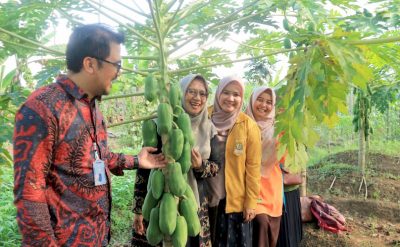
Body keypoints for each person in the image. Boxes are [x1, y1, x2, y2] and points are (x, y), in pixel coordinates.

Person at [13, 24, 166, 247]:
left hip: (98, 236)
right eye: (116, 64)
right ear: (90, 64)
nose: (118, 72)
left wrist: (137, 160)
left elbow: (98, 158)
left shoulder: (92, 108)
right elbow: (29, 194)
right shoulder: (42, 109)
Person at [131, 74, 221, 247]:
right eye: (191, 91)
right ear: (180, 93)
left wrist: (201, 166)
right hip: (159, 200)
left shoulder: (209, 128)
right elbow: (143, 170)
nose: (197, 98)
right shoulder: (160, 124)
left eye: (202, 94)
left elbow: (217, 166)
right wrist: (138, 209)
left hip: (192, 201)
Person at [207, 76, 262, 246]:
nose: (231, 99)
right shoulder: (204, 117)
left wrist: (251, 202)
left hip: (234, 202)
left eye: (236, 95)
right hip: (205, 197)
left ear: (241, 98)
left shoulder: (248, 126)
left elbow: (253, 168)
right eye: (226, 93)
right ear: (218, 94)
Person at [245, 87, 283, 247]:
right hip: (248, 189)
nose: (263, 105)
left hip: (271, 190)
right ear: (252, 101)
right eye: (259, 100)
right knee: (260, 226)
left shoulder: (279, 130)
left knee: (270, 238)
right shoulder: (240, 124)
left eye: (269, 102)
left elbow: (286, 161)